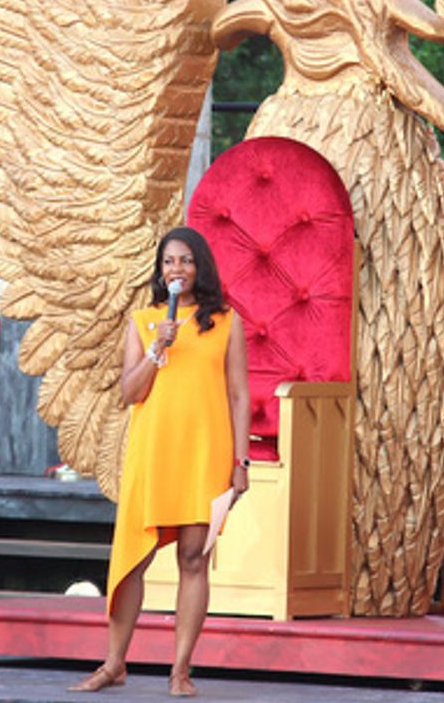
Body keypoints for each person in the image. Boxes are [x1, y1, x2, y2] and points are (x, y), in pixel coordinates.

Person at [71, 226, 251, 697]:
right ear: (160, 270)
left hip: (205, 453)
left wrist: (241, 461)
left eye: (187, 261)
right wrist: (157, 349)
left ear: (201, 267)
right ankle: (114, 664)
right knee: (132, 559)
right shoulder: (144, 321)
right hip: (154, 453)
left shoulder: (227, 321)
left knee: (195, 558)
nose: (178, 270)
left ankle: (180, 670)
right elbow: (131, 392)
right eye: (170, 262)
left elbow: (238, 393)